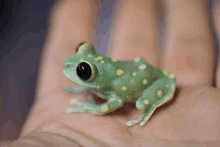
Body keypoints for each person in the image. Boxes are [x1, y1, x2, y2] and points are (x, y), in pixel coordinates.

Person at [7, 0, 220, 146]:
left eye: (82, 70)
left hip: (151, 81)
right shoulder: (101, 81)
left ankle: (151, 104)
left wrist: (91, 107)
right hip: (135, 71)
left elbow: (116, 101)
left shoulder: (109, 88)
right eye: (81, 49)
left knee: (139, 104)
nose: (72, 65)